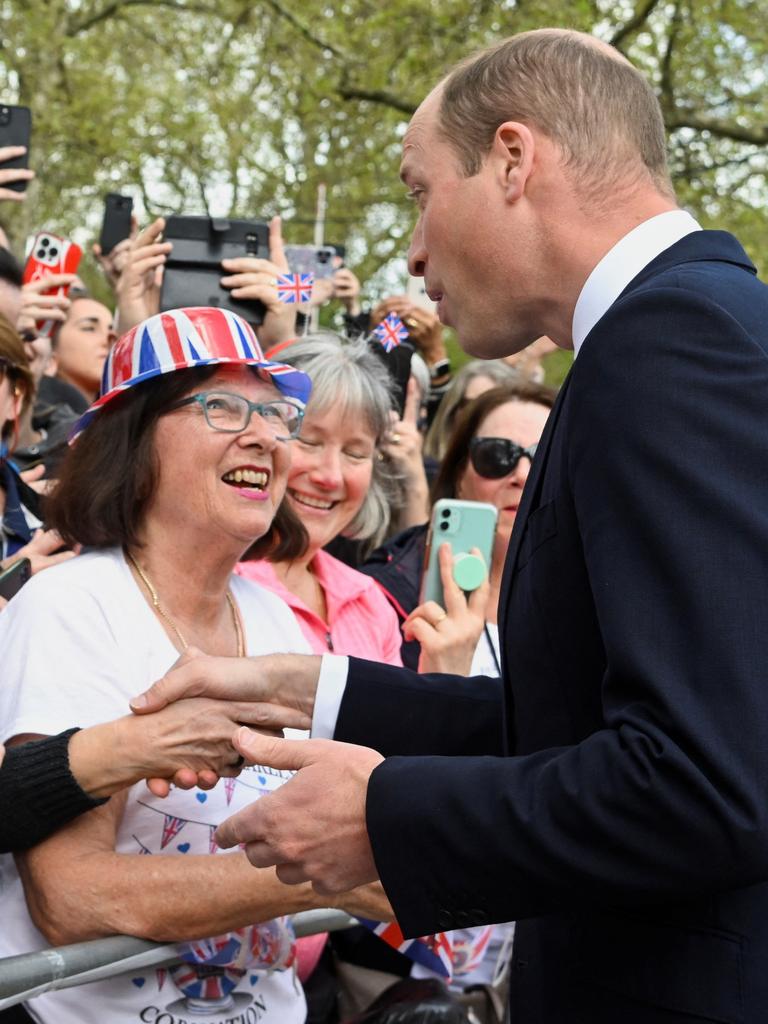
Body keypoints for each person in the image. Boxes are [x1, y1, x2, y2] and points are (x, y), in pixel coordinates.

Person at [132, 28, 768, 1022]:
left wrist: (382, 815)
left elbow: (704, 781)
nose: (416, 250)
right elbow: (574, 728)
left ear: (514, 159)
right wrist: (309, 688)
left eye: (420, 190)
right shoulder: (671, 335)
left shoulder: (670, 344)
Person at [0, 306, 390, 1024]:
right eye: (221, 405)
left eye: (276, 415)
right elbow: (70, 899)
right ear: (135, 438)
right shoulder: (73, 608)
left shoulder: (274, 619)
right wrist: (324, 878)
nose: (264, 437)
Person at [364, 382, 555, 672]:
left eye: (544, 460)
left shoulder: (599, 598)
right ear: (459, 476)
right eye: (496, 455)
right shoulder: (381, 595)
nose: (522, 475)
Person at [237, 333, 403, 662]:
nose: (330, 476)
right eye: (309, 442)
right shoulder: (217, 584)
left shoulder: (369, 600)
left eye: (355, 453)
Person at [422, 359, 521, 462]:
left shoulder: (524, 472)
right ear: (453, 412)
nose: (477, 415)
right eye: (469, 405)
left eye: (490, 407)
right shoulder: (425, 470)